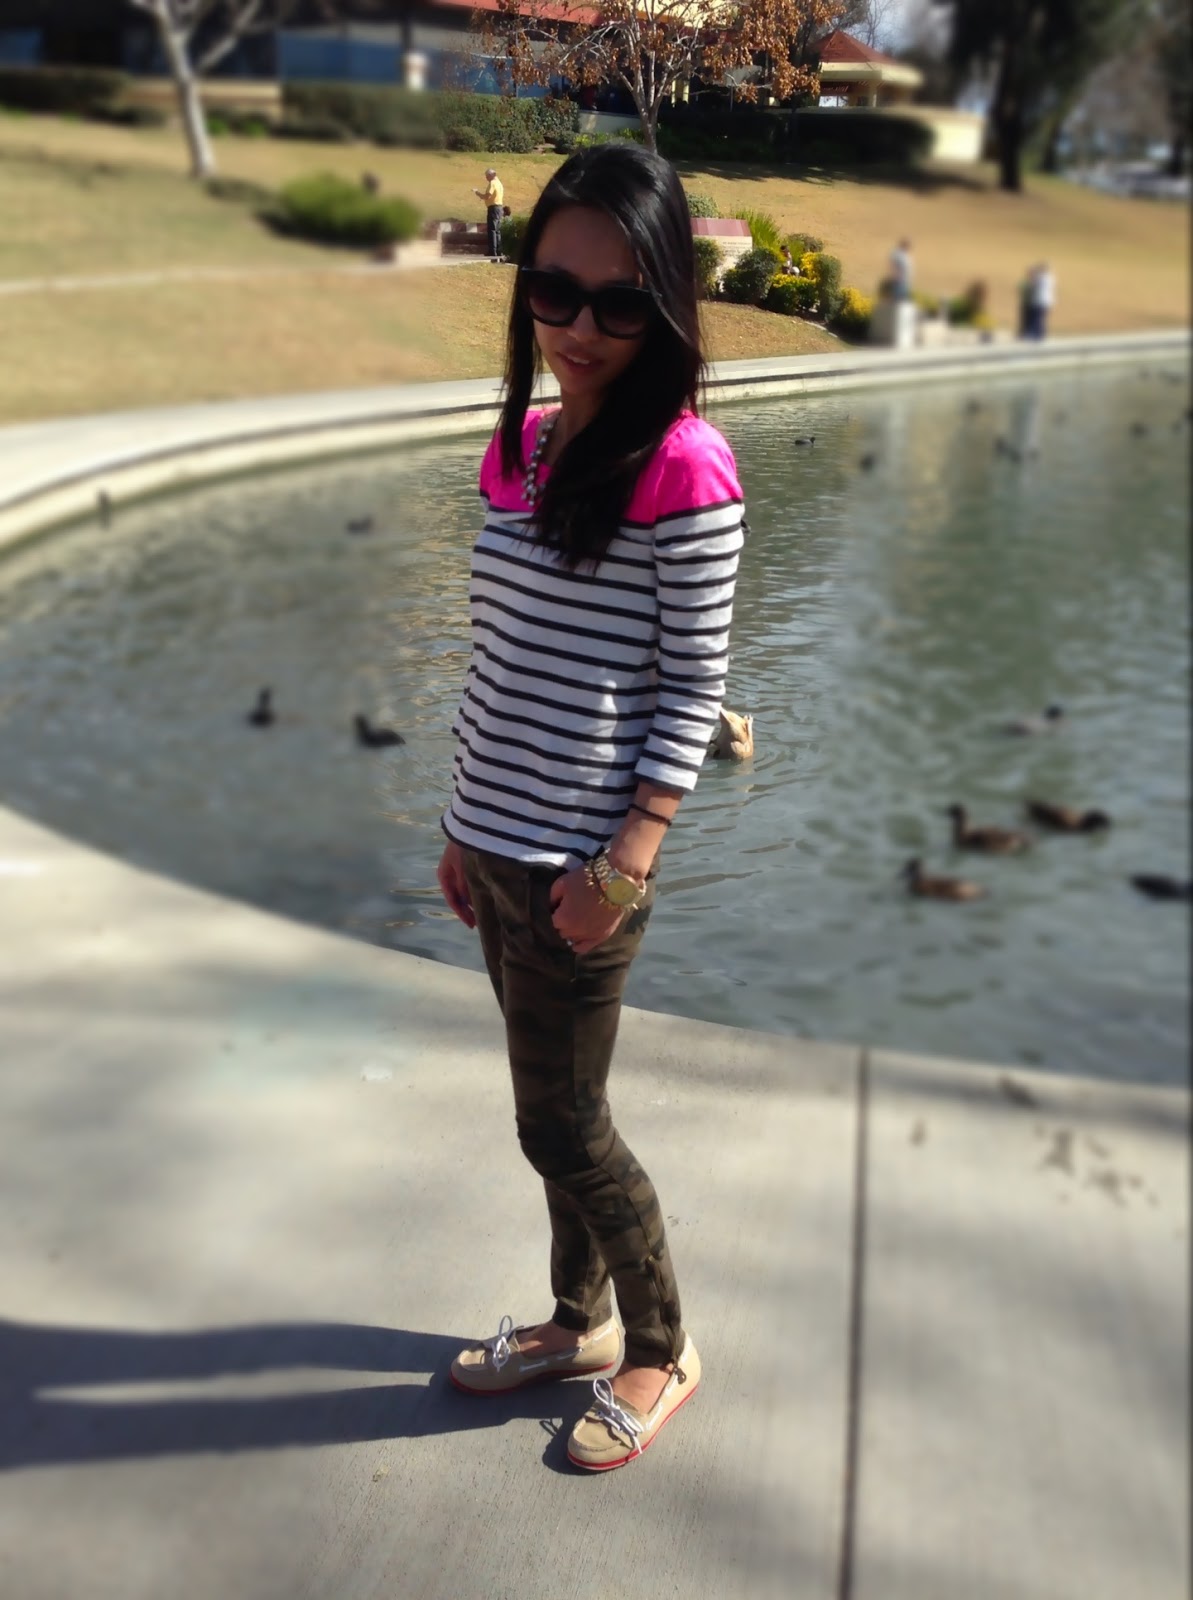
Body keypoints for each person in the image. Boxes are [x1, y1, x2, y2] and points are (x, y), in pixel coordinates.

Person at [437, 144, 745, 1472]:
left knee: (561, 1121)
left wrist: (623, 863)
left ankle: (661, 1344)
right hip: (497, 847)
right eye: (554, 291)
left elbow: (694, 687)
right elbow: (500, 658)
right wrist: (459, 827)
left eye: (619, 302)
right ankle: (576, 1321)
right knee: (552, 1108)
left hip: (582, 871)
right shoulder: (519, 448)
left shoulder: (684, 466)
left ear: (664, 305)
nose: (578, 327)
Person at [473, 166, 504, 260]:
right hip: (499, 207)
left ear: (491, 175)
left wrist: (477, 193)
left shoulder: (492, 183)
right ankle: (498, 250)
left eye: (487, 176)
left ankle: (492, 251)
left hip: (493, 208)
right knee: (497, 230)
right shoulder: (499, 183)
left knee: (492, 230)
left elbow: (487, 196)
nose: (486, 178)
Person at [1026, 261, 1055, 340]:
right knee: (1040, 318)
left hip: (1040, 301)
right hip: (1046, 301)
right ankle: (1039, 334)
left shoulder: (1042, 278)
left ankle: (1037, 335)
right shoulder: (1050, 277)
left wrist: (1032, 275)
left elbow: (1033, 284)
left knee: (1037, 319)